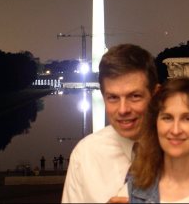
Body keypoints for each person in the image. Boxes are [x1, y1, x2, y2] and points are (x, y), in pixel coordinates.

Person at [61, 44, 159, 203]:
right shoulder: (85, 155)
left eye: (134, 96)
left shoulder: (188, 151)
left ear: (155, 95)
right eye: (113, 98)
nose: (123, 110)